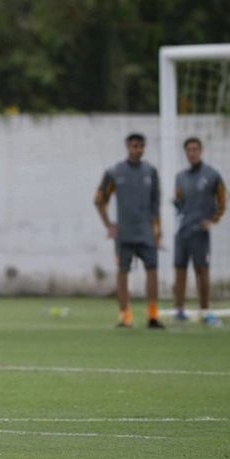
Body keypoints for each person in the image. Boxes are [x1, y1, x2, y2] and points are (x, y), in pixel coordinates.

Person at [95, 132, 163, 329]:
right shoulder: (115, 172)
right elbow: (100, 200)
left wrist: (157, 230)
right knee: (123, 272)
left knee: (152, 270)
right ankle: (125, 315)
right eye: (135, 146)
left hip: (146, 232)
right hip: (124, 233)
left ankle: (152, 315)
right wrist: (109, 225)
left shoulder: (151, 172)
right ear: (127, 147)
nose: (138, 149)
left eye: (141, 146)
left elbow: (155, 205)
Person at [172, 137, 226, 326]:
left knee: (201, 270)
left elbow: (222, 200)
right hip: (183, 230)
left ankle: (205, 310)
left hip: (200, 232)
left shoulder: (212, 175)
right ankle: (178, 310)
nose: (192, 153)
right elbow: (179, 200)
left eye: (195, 149)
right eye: (188, 150)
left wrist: (213, 220)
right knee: (179, 270)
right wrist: (177, 207)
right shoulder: (181, 177)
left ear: (200, 151)